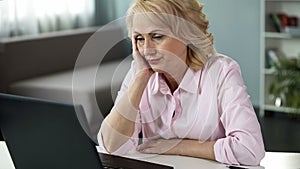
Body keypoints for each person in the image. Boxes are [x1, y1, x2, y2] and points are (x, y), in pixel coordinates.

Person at [98, 0, 265, 166]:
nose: (146, 49)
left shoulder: (222, 72)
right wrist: (141, 78)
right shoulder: (139, 71)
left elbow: (249, 149)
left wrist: (178, 146)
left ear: (186, 34)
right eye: (140, 38)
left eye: (157, 36)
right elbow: (111, 146)